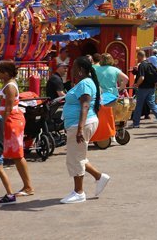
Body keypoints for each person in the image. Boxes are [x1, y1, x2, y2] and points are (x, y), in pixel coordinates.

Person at [59, 57, 110, 204]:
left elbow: (85, 106)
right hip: (78, 124)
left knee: (75, 158)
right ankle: (99, 177)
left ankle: (79, 192)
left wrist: (80, 128)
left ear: (80, 70)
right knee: (78, 155)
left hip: (80, 124)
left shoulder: (85, 84)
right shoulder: (83, 83)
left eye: (73, 67)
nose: (71, 70)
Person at [0, 60, 34, 197]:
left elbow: (8, 109)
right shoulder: (6, 85)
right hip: (7, 120)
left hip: (11, 121)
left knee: (17, 155)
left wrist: (0, 127)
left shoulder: (10, 87)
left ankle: (28, 187)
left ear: (6, 73)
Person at [131, 50, 157, 129]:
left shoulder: (142, 65)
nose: (137, 58)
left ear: (140, 56)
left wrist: (137, 84)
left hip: (143, 88)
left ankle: (136, 123)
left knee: (139, 105)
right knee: (152, 104)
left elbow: (142, 77)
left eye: (137, 57)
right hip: (151, 88)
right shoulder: (150, 64)